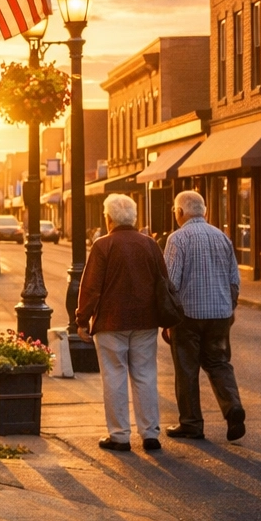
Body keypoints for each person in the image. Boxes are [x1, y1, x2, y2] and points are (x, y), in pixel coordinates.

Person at [76, 192, 165, 452]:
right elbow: (163, 283)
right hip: (146, 320)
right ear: (134, 217)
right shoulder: (149, 244)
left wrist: (82, 320)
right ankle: (150, 434)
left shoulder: (103, 245)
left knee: (114, 377)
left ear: (109, 218)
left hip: (111, 322)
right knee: (145, 375)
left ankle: (119, 435)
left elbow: (91, 287)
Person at [163, 190, 246, 442]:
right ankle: (232, 407)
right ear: (205, 212)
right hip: (220, 314)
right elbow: (234, 279)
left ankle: (191, 423)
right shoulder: (222, 237)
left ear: (179, 212)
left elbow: (171, 283)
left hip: (188, 316)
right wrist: (228, 307)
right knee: (219, 362)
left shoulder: (177, 239)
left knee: (187, 368)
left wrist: (168, 320)